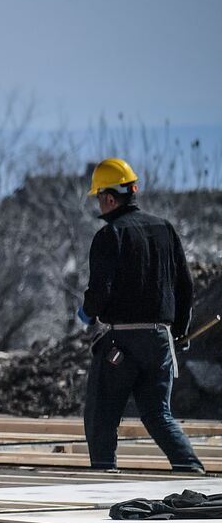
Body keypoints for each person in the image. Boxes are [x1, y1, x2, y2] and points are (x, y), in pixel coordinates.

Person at [78, 158, 204, 473]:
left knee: (102, 415)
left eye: (98, 197)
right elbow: (185, 285)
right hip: (160, 341)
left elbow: (100, 290)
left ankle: (104, 475)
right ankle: (191, 470)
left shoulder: (110, 235)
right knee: (158, 414)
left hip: (121, 343)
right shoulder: (165, 229)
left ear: (108, 197)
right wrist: (179, 331)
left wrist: (86, 313)